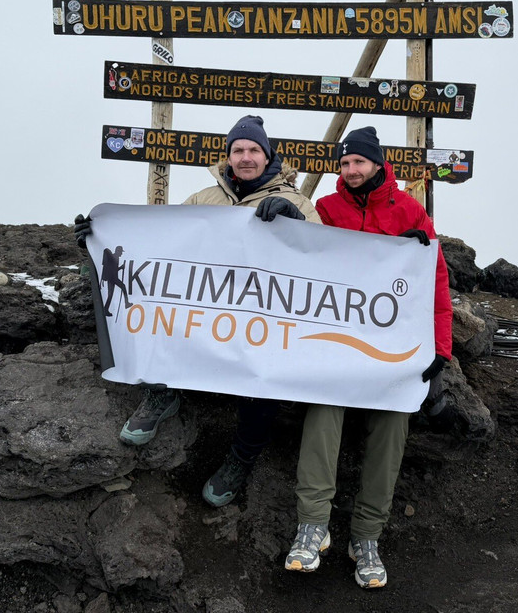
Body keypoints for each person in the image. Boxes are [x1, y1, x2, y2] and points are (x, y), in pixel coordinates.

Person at [74, 115, 320, 508]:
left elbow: (321, 262)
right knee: (159, 311)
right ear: (228, 156)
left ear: (267, 154)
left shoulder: (298, 202)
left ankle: (241, 458)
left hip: (262, 317)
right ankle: (161, 394)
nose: (245, 157)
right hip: (207, 309)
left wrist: (297, 224)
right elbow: (159, 245)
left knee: (265, 377)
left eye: (253, 149)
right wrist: (100, 238)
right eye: (238, 150)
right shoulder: (203, 199)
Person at [283, 126, 452, 590]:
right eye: (343, 163)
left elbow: (436, 284)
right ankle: (312, 525)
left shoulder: (411, 211)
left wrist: (440, 349)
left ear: (377, 163)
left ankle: (367, 536)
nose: (350, 171)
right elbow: (301, 262)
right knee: (322, 412)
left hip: (392, 348)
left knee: (393, 425)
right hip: (336, 343)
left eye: (358, 162)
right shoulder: (327, 209)